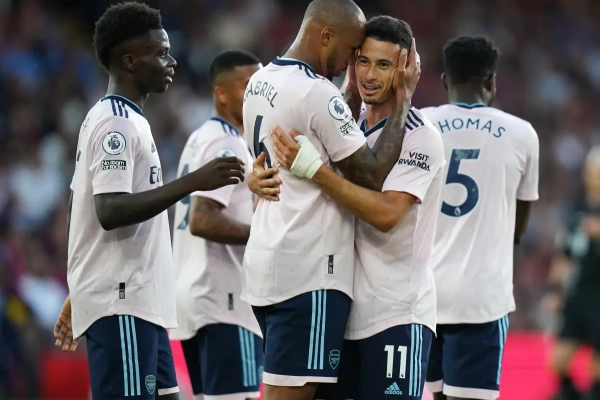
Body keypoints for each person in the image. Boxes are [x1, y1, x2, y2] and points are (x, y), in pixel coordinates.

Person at [52, 4, 245, 399]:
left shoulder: (127, 118)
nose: (171, 62)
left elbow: (78, 204)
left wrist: (79, 284)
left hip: (140, 300)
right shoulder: (115, 121)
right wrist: (194, 181)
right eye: (160, 53)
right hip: (121, 300)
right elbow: (108, 211)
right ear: (129, 61)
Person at [241, 0, 420, 399]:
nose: (353, 62)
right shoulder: (317, 92)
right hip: (309, 275)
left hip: (268, 260)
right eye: (353, 50)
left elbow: (274, 158)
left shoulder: (259, 80)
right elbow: (372, 175)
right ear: (326, 36)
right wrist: (404, 98)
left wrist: (349, 92)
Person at [419, 36, 539, 400]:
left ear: (445, 81)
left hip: (424, 295)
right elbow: (517, 229)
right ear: (491, 81)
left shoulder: (419, 124)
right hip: (481, 299)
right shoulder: (522, 133)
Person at [170, 50, 264, 400]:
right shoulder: (226, 142)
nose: (255, 95)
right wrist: (264, 236)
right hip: (223, 300)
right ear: (221, 93)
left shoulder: (201, 137)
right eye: (247, 86)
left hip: (198, 297)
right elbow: (202, 218)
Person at [546, 147, 600, 400]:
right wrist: (555, 291)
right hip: (579, 297)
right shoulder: (577, 215)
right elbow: (564, 257)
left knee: (596, 370)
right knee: (558, 361)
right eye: (594, 172)